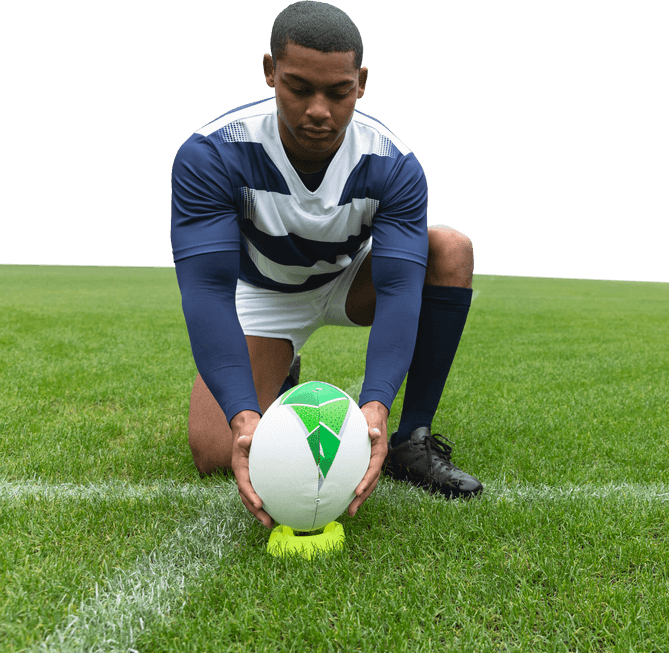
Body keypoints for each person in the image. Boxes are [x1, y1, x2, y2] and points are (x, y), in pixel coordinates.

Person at [170, 0, 482, 528]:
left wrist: (376, 405)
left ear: (361, 82)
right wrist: (245, 415)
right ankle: (281, 373)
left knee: (450, 249)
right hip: (268, 291)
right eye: (299, 88)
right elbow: (207, 290)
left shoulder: (392, 162)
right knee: (213, 450)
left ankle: (412, 440)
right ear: (270, 72)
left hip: (351, 279)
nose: (320, 110)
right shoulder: (212, 154)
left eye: (339, 92)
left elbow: (402, 288)